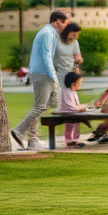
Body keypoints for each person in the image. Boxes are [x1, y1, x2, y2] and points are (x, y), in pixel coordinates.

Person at [12, 10, 70, 150]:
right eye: (64, 24)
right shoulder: (47, 33)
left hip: (42, 73)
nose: (65, 27)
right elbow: (46, 56)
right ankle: (19, 131)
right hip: (43, 74)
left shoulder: (50, 33)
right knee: (40, 107)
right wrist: (54, 77)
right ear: (57, 21)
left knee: (47, 104)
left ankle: (33, 139)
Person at [60, 71, 88, 148]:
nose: (79, 85)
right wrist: (78, 109)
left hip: (74, 112)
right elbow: (69, 106)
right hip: (68, 113)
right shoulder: (66, 92)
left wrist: (87, 106)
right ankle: (68, 140)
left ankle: (75, 139)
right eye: (78, 83)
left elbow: (76, 105)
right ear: (73, 84)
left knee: (77, 124)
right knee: (69, 126)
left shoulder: (74, 92)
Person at [53, 23, 83, 88]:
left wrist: (78, 60)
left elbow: (78, 56)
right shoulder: (57, 41)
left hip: (70, 72)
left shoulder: (74, 42)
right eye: (74, 34)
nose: (75, 37)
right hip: (58, 71)